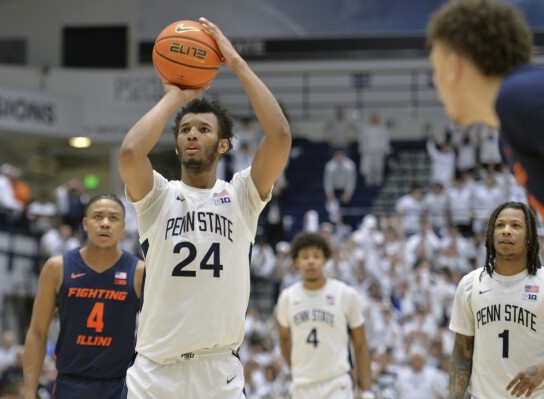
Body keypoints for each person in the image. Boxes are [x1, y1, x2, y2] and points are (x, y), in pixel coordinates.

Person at [117, 17, 291, 399]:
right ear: (178, 146)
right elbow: (130, 153)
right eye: (185, 129)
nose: (192, 133)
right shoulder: (159, 196)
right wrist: (174, 97)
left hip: (218, 375)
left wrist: (237, 63)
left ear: (224, 145)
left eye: (204, 128)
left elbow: (279, 136)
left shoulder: (242, 195)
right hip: (154, 374)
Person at [427, 0, 544, 393]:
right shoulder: (510, 132)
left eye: (434, 69)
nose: (435, 82)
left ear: (452, 65)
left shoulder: (522, 96)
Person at [448, 201, 544, 398]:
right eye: (500, 225)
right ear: (491, 235)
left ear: (529, 237)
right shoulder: (470, 284)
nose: (506, 231)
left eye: (515, 225)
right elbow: (462, 353)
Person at [23, 194, 144, 399]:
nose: (105, 224)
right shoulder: (57, 267)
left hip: (120, 384)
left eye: (113, 218)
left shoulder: (139, 271)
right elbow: (37, 332)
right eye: (98, 217)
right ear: (85, 224)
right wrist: (28, 393)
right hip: (69, 383)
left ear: (123, 227)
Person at [276, 232, 373, 399]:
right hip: (301, 386)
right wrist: (296, 368)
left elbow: (360, 344)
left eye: (316, 256)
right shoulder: (287, 297)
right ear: (297, 262)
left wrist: (366, 390)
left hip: (336, 384)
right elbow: (284, 339)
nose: (311, 261)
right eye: (305, 257)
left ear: (325, 259)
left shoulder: (346, 294)